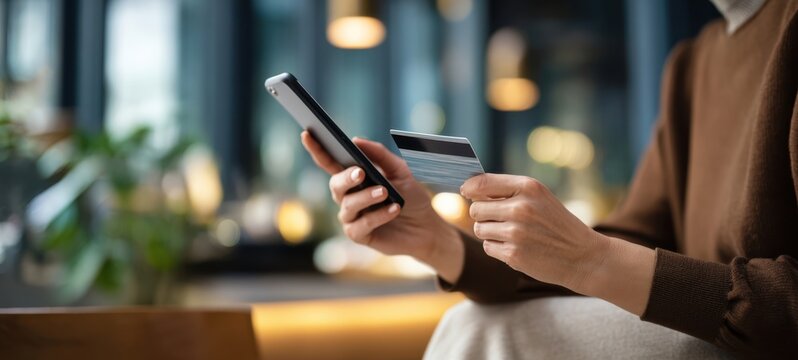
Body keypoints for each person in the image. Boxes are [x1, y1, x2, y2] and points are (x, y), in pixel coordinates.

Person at [300, 0, 796, 357]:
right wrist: (435, 243)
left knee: (484, 334)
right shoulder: (694, 61)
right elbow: (636, 241)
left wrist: (592, 258)